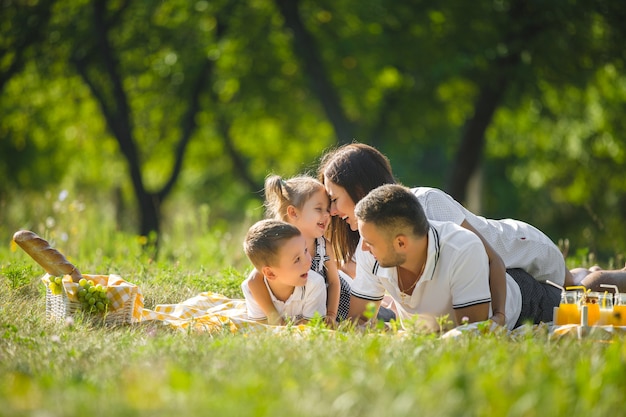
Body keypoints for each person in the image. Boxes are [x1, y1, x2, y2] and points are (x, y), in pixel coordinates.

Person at [318, 142, 572, 326]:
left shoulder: (426, 204)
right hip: (490, 277)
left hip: (520, 248)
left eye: (334, 199)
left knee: (580, 287)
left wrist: (499, 318)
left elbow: (493, 260)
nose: (332, 210)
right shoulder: (371, 239)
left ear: (359, 187)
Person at [352, 184, 560, 331]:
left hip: (524, 302)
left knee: (580, 302)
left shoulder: (461, 248)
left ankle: (589, 277)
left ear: (401, 243)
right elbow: (357, 320)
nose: (363, 248)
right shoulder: (371, 252)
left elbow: (469, 334)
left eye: (369, 242)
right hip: (472, 285)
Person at [245, 175, 352, 326]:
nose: (327, 214)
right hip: (301, 307)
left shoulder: (323, 246)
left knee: (368, 315)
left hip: (336, 302)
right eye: (319, 209)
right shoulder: (278, 244)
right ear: (294, 213)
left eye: (327, 209)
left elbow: (334, 282)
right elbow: (255, 280)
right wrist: (272, 314)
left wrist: (331, 314)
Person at [242, 219, 328, 324]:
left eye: (305, 250)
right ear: (270, 273)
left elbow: (311, 327)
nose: (308, 260)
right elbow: (262, 329)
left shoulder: (314, 284)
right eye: (297, 259)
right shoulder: (251, 290)